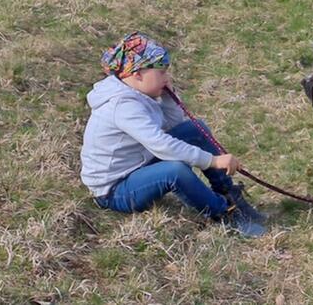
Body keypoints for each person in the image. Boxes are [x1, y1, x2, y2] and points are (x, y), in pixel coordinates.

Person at [80, 32, 268, 237]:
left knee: (196, 128)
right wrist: (212, 161)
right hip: (115, 189)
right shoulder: (122, 105)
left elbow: (174, 125)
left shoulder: (136, 93)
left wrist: (169, 99)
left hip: (138, 165)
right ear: (137, 74)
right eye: (161, 73)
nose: (167, 78)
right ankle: (223, 214)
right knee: (175, 171)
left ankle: (228, 194)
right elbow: (161, 144)